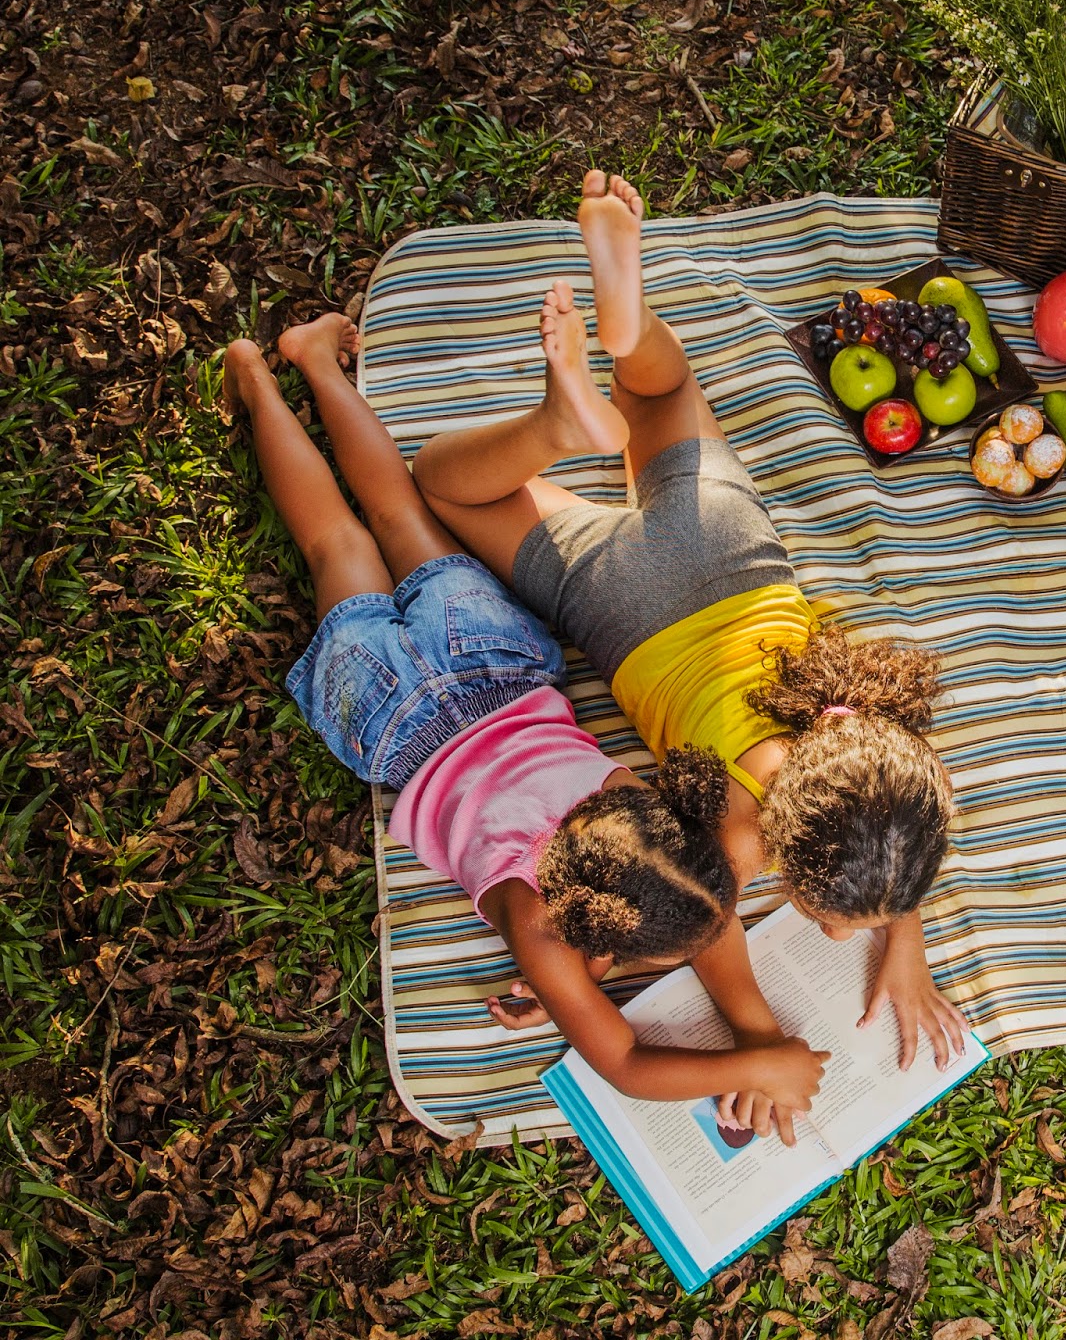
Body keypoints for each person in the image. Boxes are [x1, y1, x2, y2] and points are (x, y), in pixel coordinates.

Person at [412, 170, 969, 1142]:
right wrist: (756, 1032)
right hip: (624, 608)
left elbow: (895, 817)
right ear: (776, 856)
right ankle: (551, 426)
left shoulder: (872, 740)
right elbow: (709, 935)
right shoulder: (729, 837)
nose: (844, 934)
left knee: (665, 387)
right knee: (443, 489)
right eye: (831, 917)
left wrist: (905, 941)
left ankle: (625, 335)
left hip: (728, 549)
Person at [221, 315, 828, 1129]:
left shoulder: (634, 806)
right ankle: (263, 376)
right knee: (334, 548)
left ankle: (304, 365)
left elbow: (693, 905)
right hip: (395, 714)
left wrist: (763, 1047)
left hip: (491, 664)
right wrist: (759, 1055)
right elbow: (623, 1063)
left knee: (393, 515)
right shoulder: (538, 924)